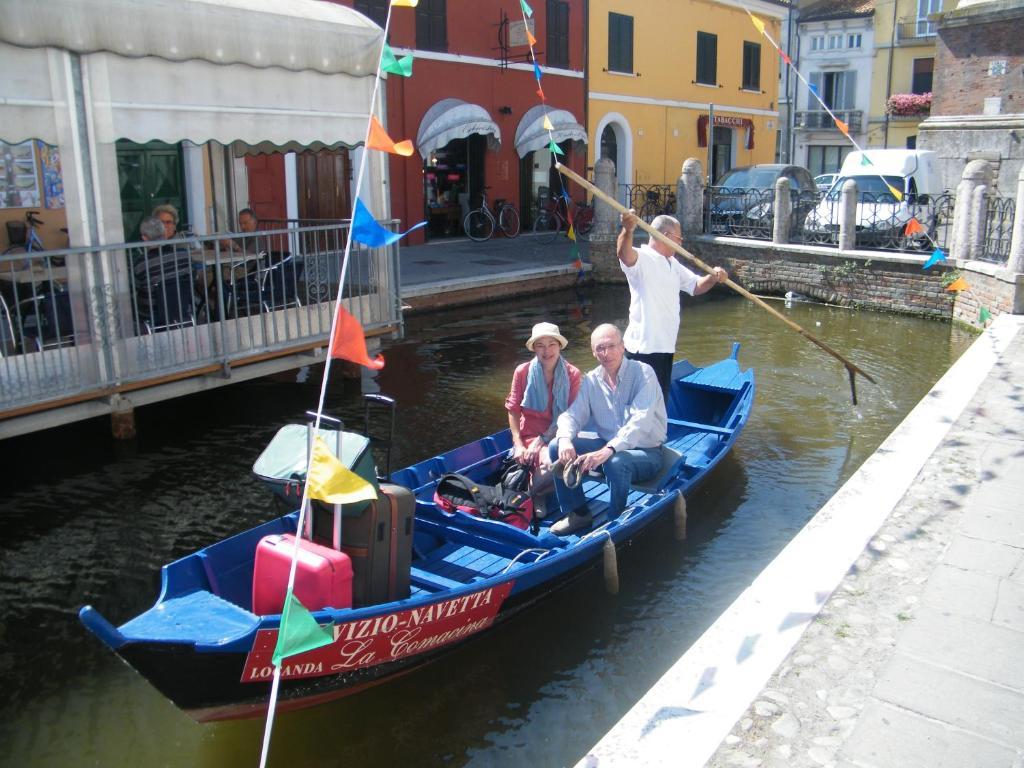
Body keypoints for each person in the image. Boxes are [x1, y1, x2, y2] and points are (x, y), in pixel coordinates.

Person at [548, 323, 667, 536]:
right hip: (607, 447)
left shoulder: (643, 373)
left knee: (615, 461)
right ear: (594, 353)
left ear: (623, 347)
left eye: (611, 346)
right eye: (600, 348)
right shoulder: (592, 380)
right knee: (556, 445)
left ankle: (616, 519)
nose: (606, 353)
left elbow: (640, 422)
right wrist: (565, 438)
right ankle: (579, 513)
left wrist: (608, 450)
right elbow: (573, 415)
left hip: (646, 452)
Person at [617, 210, 728, 397]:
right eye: (679, 238)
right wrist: (628, 230)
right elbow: (624, 254)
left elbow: (695, 286)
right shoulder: (642, 257)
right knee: (639, 403)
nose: (681, 243)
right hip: (644, 348)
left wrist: (713, 277)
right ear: (666, 236)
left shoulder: (672, 263)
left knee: (659, 403)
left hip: (665, 347)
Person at [505, 322, 582, 511]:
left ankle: (526, 496)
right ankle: (537, 490)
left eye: (551, 344)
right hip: (529, 435)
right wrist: (519, 445)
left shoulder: (572, 374)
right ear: (534, 348)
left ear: (559, 346)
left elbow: (570, 416)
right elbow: (513, 409)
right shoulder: (522, 372)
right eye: (540, 345)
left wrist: (541, 442)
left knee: (557, 462)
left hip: (560, 435)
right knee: (553, 464)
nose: (546, 351)